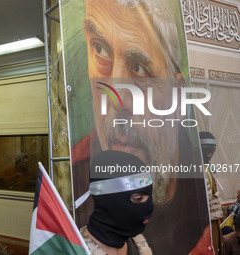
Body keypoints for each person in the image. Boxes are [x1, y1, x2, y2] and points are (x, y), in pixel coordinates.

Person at [69, 0, 211, 254]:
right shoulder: (71, 178)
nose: (117, 100)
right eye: (100, 49)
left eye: (139, 68)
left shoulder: (203, 193)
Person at [81, 150, 154, 255]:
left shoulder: (138, 243)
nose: (149, 208)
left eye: (149, 197)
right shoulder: (76, 251)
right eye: (138, 198)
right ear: (109, 201)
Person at [200, 131, 224, 254]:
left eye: (213, 147)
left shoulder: (207, 168)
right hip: (202, 223)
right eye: (205, 146)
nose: (210, 150)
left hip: (213, 220)